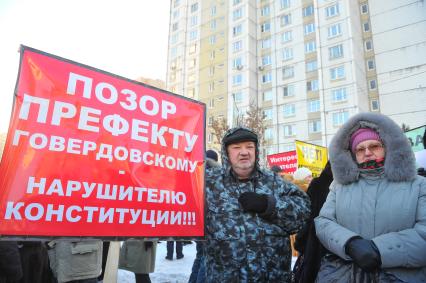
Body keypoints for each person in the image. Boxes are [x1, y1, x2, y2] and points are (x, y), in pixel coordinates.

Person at [315, 112, 426, 282]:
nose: (367, 153)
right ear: (353, 155)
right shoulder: (340, 186)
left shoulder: (418, 185)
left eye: (374, 146)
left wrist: (380, 249)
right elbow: (323, 222)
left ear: (387, 147)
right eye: (360, 149)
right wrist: (350, 243)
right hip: (345, 276)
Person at [204, 127, 311, 282]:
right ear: (226, 152)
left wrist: (268, 205)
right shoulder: (208, 184)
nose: (244, 152)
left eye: (249, 146)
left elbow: (304, 213)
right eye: (236, 147)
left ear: (256, 150)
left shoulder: (274, 182)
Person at [293, 161, 333, 283]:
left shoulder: (318, 184)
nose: (310, 178)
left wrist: (301, 242)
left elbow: (307, 218)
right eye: (307, 177)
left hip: (316, 247)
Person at [188, 149, 220, 283]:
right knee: (206, 260)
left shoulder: (194, 172)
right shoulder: (216, 176)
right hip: (211, 225)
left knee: (200, 256)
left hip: (197, 223)